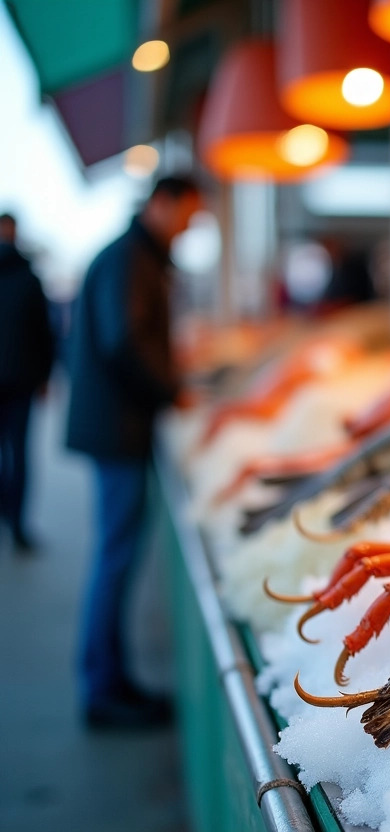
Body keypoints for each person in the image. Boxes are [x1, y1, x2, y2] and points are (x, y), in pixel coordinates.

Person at [66, 175, 201, 729]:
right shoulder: (130, 259)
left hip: (116, 424)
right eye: (187, 216)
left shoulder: (136, 255)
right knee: (115, 555)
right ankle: (103, 689)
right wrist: (171, 389)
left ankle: (109, 679)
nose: (189, 228)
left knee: (115, 553)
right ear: (160, 204)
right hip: (115, 427)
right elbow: (122, 340)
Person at [0, 213, 55, 553]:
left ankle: (14, 519)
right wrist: (45, 375)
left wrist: (45, 374)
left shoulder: (30, 278)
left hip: (21, 380)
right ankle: (16, 522)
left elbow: (43, 333)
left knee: (18, 455)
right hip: (21, 380)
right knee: (19, 455)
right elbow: (45, 334)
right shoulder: (29, 277)